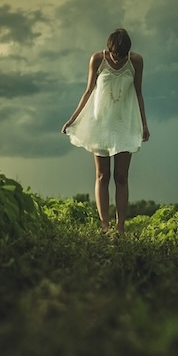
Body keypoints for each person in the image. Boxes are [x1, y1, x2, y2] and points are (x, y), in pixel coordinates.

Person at [61, 28, 150, 234]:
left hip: (124, 125)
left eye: (122, 54)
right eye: (115, 54)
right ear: (109, 49)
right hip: (100, 125)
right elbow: (88, 91)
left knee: (121, 177)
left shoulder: (136, 61)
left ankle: (120, 228)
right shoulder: (97, 59)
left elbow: (139, 94)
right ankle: (104, 227)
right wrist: (72, 119)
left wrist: (144, 124)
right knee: (102, 175)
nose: (118, 58)